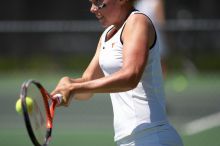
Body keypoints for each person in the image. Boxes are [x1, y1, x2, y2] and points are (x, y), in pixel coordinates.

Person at [51, 0, 183, 146]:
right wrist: (68, 85)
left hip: (152, 137)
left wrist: (75, 88)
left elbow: (130, 76)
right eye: (91, 3)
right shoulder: (106, 35)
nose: (92, 9)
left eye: (98, 3)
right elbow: (87, 83)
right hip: (128, 140)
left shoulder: (137, 21)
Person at [135, 0, 167, 77]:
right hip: (142, 37)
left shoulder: (156, 2)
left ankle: (161, 82)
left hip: (156, 35)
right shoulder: (140, 3)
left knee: (159, 61)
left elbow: (161, 21)